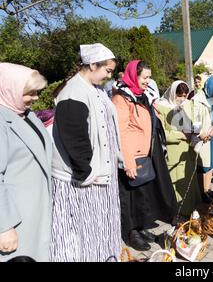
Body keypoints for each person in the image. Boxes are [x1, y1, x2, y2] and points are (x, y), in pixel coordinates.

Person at [50, 43, 122, 262]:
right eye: (107, 71)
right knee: (82, 234)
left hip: (98, 178)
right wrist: (86, 172)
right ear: (92, 65)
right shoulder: (73, 92)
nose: (109, 76)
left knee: (99, 231)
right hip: (84, 181)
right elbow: (74, 136)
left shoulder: (95, 89)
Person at [113, 60, 177, 251]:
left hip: (145, 152)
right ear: (134, 76)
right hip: (131, 155)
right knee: (130, 196)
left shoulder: (143, 96)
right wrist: (128, 161)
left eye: (149, 77)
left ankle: (141, 228)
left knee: (143, 194)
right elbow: (121, 131)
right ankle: (131, 232)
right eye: (145, 77)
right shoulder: (122, 98)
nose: (148, 81)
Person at [0, 63, 52, 262]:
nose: (36, 98)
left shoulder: (26, 115)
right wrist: (4, 226)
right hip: (15, 219)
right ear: (8, 88)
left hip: (34, 212)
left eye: (37, 92)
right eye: (30, 93)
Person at [155, 80, 202, 217]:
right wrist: (180, 135)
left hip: (188, 151)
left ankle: (190, 210)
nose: (182, 99)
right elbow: (161, 133)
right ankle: (177, 213)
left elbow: (194, 123)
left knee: (188, 182)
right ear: (172, 93)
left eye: (185, 95)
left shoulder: (187, 105)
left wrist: (197, 132)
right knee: (175, 183)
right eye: (179, 95)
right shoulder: (160, 107)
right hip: (173, 152)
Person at [191, 76, 213, 203]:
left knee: (211, 164)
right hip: (203, 138)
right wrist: (201, 133)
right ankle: (202, 192)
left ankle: (207, 189)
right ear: (210, 88)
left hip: (212, 136)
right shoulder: (197, 100)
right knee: (203, 166)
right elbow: (195, 120)